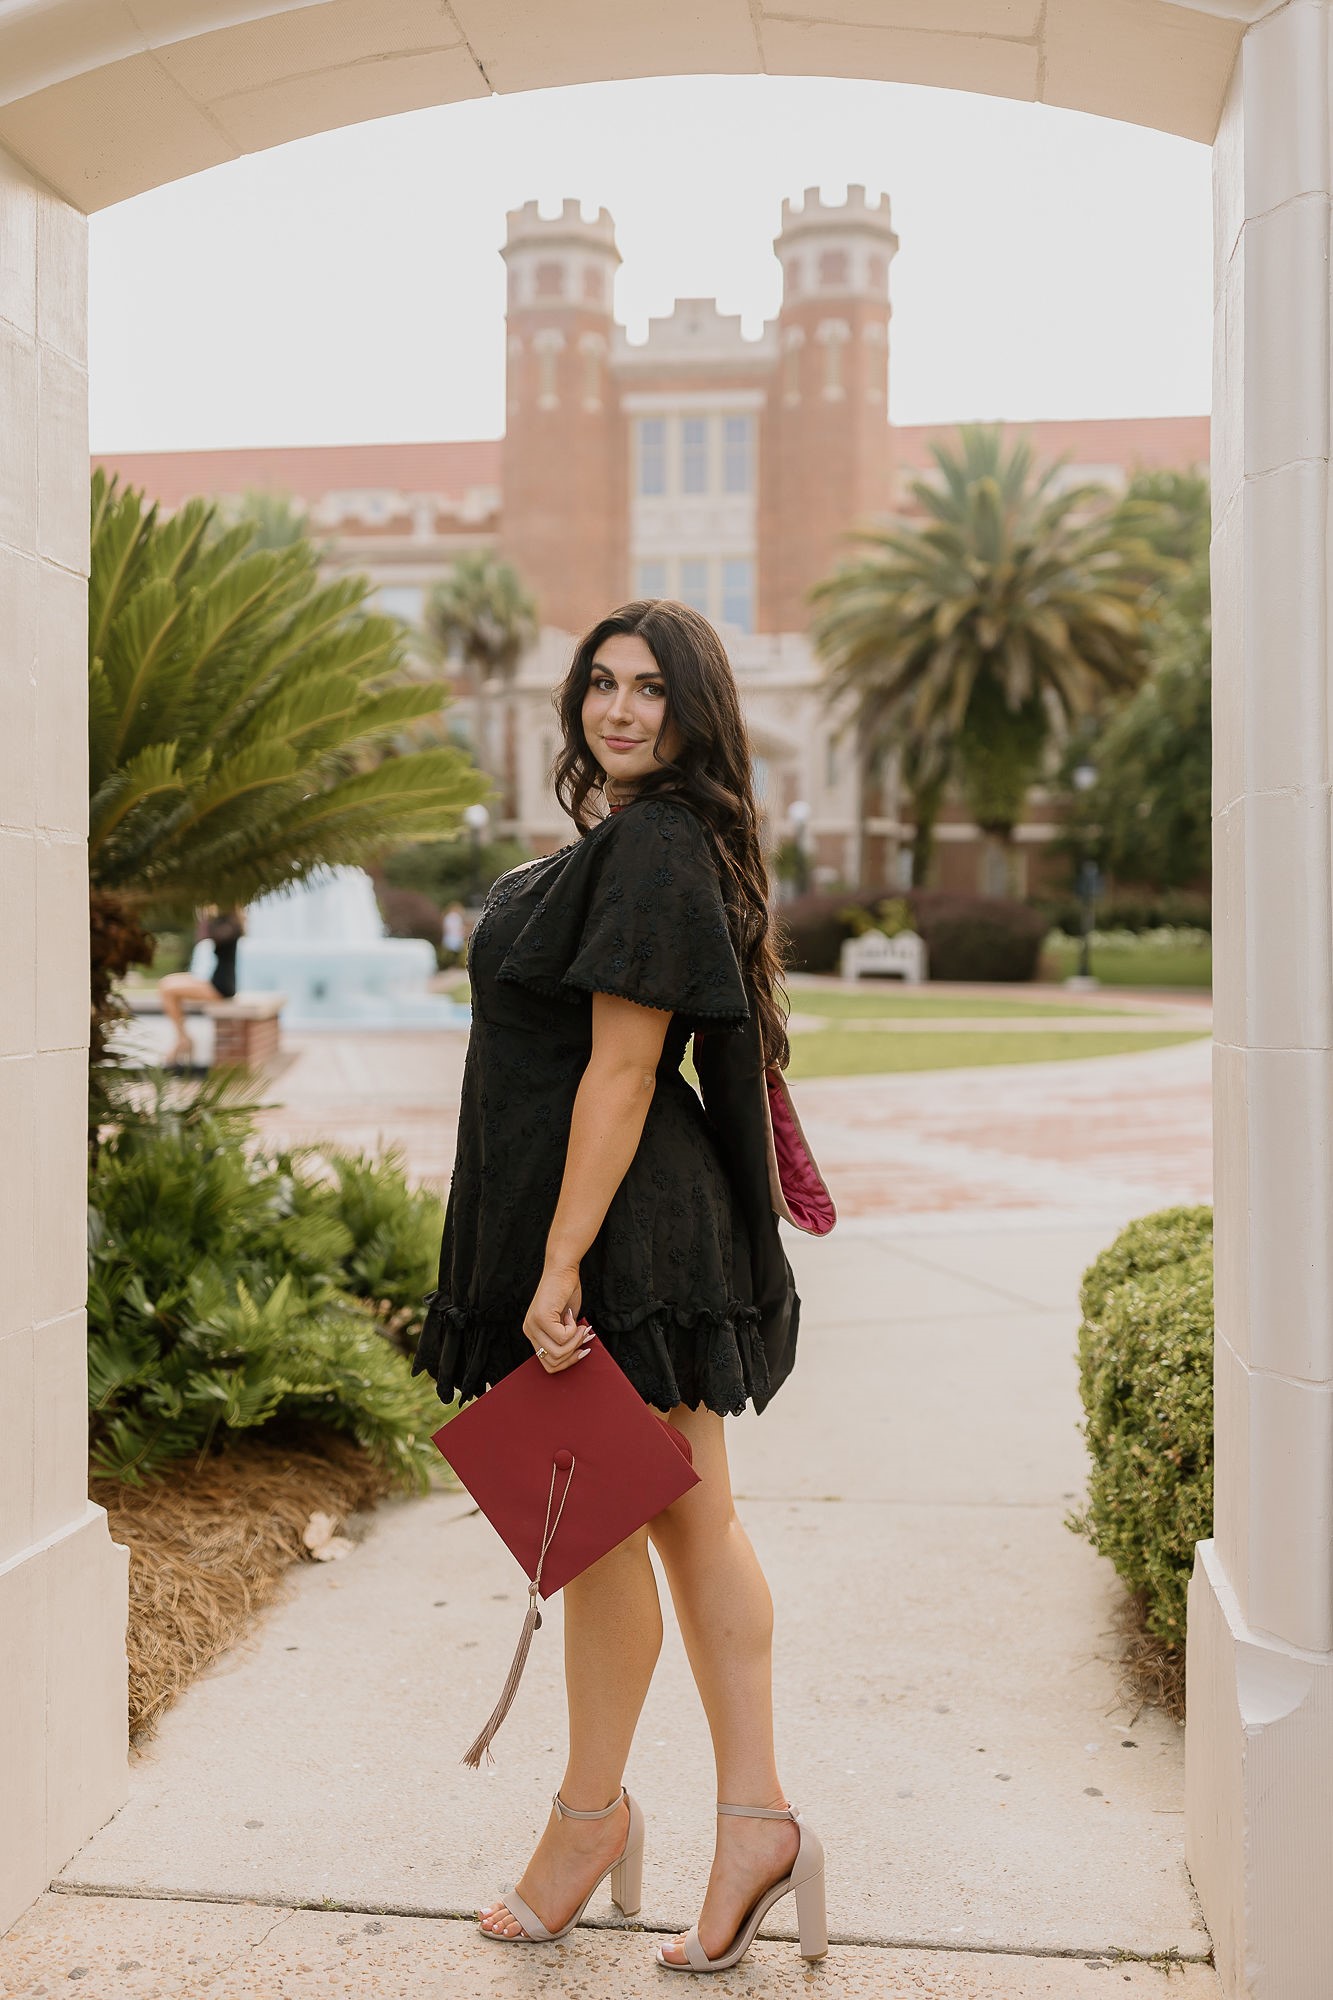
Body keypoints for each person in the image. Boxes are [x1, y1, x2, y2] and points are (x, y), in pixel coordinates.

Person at [412, 599, 827, 1973]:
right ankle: (732, 1816)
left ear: (694, 710)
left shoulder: (652, 844)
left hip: (628, 1242)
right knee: (675, 1524)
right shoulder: (644, 841)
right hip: (636, 1232)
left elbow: (624, 1069)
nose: (618, 708)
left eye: (650, 689)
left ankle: (602, 1818)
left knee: (622, 1532)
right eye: (601, 683)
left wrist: (558, 1262)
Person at [158, 907, 244, 1067]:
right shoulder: (227, 923)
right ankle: (182, 1037)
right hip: (213, 981)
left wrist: (206, 916)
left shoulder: (232, 924)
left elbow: (207, 936)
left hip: (221, 986)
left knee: (169, 989)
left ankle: (183, 1039)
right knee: (166, 985)